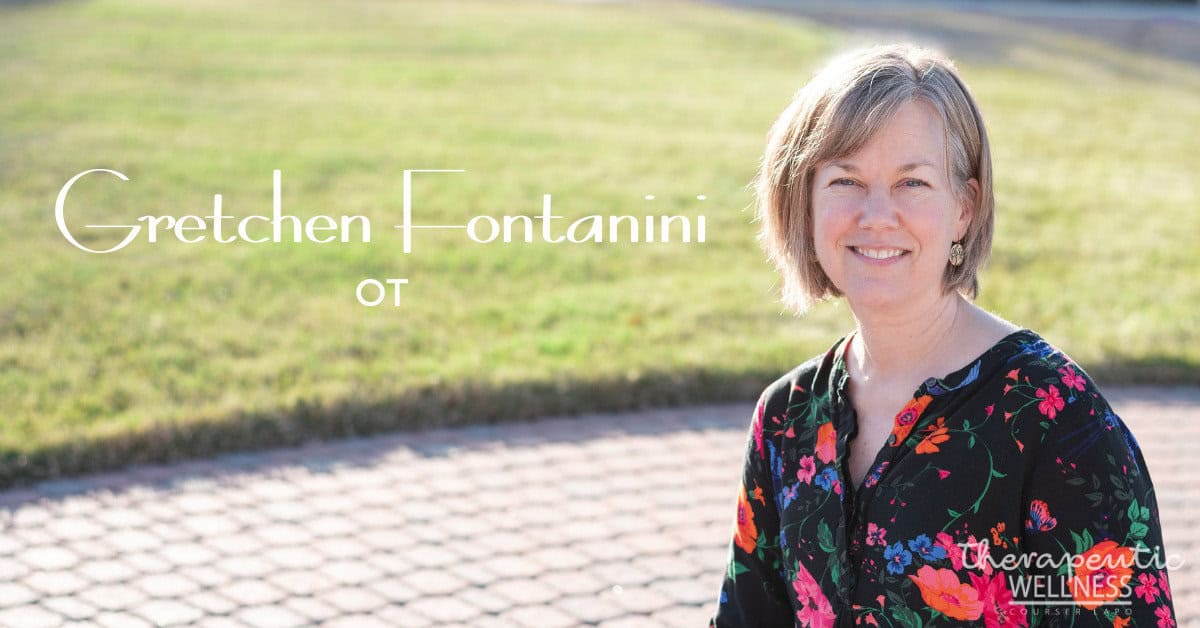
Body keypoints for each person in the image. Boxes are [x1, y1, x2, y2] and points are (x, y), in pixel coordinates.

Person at [709, 43, 1176, 627]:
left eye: (913, 183)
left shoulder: (1057, 423)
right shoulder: (786, 418)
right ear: (803, 201)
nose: (876, 214)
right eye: (845, 179)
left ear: (964, 207)